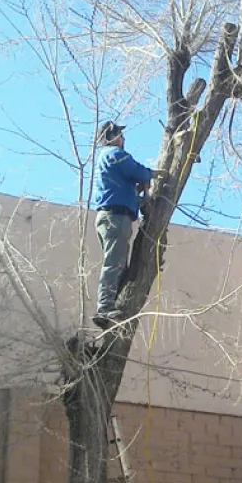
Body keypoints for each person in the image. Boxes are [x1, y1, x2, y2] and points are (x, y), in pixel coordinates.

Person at [92, 121, 165, 329]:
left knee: (118, 265)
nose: (123, 139)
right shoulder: (114, 154)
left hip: (112, 217)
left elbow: (130, 183)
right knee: (114, 263)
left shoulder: (109, 163)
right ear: (111, 137)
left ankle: (113, 305)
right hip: (115, 217)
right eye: (120, 135)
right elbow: (139, 172)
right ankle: (104, 307)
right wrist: (153, 174)